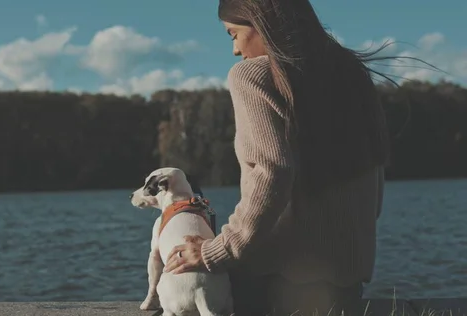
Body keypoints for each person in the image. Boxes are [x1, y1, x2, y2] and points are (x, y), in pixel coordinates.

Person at [162, 0, 396, 315]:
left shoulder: (251, 75)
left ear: (261, 23)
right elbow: (375, 182)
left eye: (233, 34)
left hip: (277, 284)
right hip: (345, 285)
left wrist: (216, 251)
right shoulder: (351, 74)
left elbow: (272, 171)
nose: (234, 49)